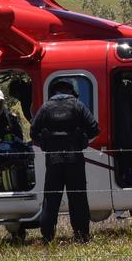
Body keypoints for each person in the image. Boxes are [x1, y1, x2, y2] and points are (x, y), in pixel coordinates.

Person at [30, 80, 100, 242]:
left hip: (53, 160)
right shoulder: (77, 105)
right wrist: (81, 139)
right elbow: (94, 128)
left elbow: (33, 132)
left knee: (51, 198)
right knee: (78, 197)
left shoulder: (46, 107)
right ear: (69, 90)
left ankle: (47, 236)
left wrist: (47, 142)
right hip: (74, 157)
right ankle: (81, 235)